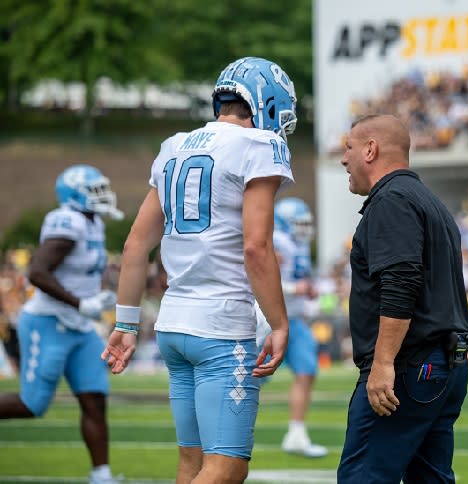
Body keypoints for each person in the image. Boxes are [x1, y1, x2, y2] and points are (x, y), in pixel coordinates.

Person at [101, 56, 296, 484]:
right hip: (222, 326)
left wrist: (127, 324)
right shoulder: (260, 146)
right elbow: (256, 248)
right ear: (265, 104)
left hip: (174, 325)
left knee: (192, 465)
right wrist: (280, 324)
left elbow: (136, 245)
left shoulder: (175, 145)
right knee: (226, 467)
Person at [337, 114, 468, 484]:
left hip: (411, 366)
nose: (343, 159)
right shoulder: (430, 202)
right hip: (443, 364)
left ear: (370, 149)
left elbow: (401, 282)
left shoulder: (392, 200)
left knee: (363, 477)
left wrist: (383, 363)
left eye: (348, 148)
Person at [0, 164, 123, 484]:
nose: (102, 196)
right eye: (94, 191)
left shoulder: (92, 221)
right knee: (31, 404)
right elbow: (37, 272)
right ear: (74, 196)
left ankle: (102, 476)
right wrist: (82, 303)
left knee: (94, 399)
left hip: (80, 328)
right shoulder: (67, 220)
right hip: (48, 322)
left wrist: (95, 299)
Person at [273, 197, 328, 457]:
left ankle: (296, 434)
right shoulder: (276, 241)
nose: (304, 228)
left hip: (293, 319)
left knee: (307, 370)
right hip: (268, 320)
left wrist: (308, 289)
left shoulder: (298, 244)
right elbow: (260, 279)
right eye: (298, 222)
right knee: (249, 379)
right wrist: (297, 288)